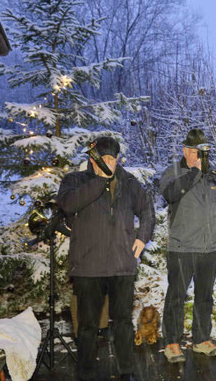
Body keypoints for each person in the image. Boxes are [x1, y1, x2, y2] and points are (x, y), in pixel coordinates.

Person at [57, 136, 155, 381]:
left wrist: (142, 237)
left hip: (122, 265)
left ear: (118, 158)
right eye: (104, 159)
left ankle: (127, 371)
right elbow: (68, 205)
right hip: (89, 266)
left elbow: (147, 209)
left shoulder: (129, 182)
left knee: (122, 322)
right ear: (93, 158)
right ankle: (86, 373)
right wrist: (100, 180)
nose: (109, 163)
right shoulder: (75, 180)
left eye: (113, 158)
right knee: (88, 325)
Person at [159, 129, 216, 363]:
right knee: (176, 297)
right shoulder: (172, 173)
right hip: (182, 248)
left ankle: (201, 340)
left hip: (209, 248)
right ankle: (172, 343)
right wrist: (194, 172)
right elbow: (170, 194)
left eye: (203, 151)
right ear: (185, 150)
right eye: (195, 151)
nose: (199, 156)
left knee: (204, 297)